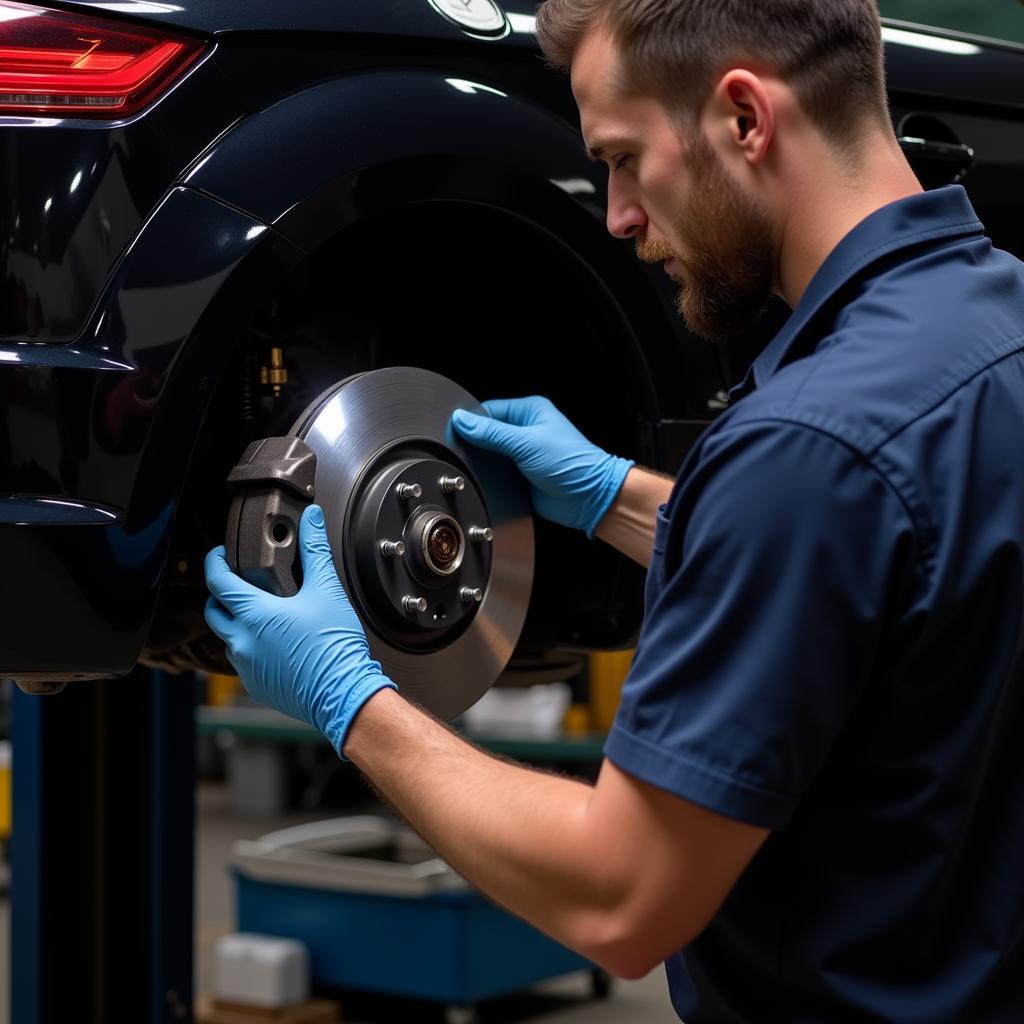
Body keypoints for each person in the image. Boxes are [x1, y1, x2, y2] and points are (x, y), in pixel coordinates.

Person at [204, 1, 1024, 1019]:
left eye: (625, 158)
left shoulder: (802, 451)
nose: (619, 214)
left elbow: (622, 897)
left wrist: (350, 700)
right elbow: (889, 572)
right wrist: (614, 498)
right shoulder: (1000, 320)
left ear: (743, 118)